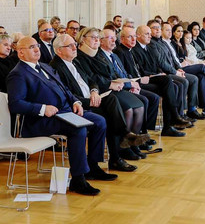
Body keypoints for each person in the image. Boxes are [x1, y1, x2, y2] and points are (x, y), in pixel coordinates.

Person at [6, 37, 113, 195]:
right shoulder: (18, 74)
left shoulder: (44, 67)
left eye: (37, 46)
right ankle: (78, 178)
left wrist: (76, 102)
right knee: (78, 129)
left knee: (99, 121)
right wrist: (42, 108)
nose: (37, 49)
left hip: (64, 112)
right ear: (21, 52)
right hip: (41, 120)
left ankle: (93, 167)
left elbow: (65, 90)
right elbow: (15, 104)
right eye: (31, 47)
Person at [50, 33, 147, 172]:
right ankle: (116, 153)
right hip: (79, 105)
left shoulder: (74, 61)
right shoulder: (55, 67)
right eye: (70, 46)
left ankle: (117, 151)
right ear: (59, 50)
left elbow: (91, 80)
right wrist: (88, 99)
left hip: (91, 98)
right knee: (109, 116)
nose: (74, 47)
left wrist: (94, 91)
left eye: (74, 44)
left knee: (112, 101)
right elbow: (66, 94)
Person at [94, 27, 162, 159]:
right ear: (101, 41)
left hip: (124, 87)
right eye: (110, 38)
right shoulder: (99, 56)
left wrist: (131, 83)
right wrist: (128, 84)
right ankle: (124, 147)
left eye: (114, 37)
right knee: (130, 109)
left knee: (141, 105)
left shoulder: (113, 55)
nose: (114, 40)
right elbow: (110, 78)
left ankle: (133, 143)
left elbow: (124, 74)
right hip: (112, 91)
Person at [115, 26, 188, 137]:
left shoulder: (135, 49)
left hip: (142, 78)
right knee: (167, 85)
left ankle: (169, 123)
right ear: (122, 38)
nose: (133, 39)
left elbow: (153, 65)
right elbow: (129, 73)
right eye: (130, 37)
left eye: (134, 36)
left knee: (170, 85)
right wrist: (146, 77)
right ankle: (170, 120)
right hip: (137, 81)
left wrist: (157, 73)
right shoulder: (121, 51)